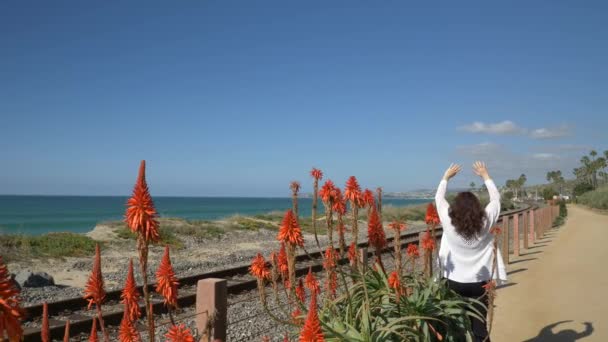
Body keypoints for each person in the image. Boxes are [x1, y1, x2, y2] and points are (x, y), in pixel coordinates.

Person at [435, 161, 507, 342]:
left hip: (453, 282)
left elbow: (439, 199)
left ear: (455, 208)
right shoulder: (486, 221)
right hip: (479, 283)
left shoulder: (448, 221)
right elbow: (496, 200)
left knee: (456, 326)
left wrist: (445, 178)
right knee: (479, 327)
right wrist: (485, 175)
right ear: (477, 207)